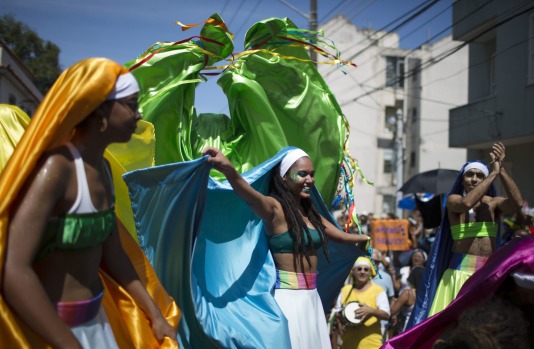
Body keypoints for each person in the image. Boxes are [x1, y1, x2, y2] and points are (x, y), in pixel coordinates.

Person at [1, 58, 177, 348]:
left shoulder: (103, 170)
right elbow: (12, 269)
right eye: (131, 104)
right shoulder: (57, 169)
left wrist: (155, 314)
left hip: (98, 324)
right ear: (99, 110)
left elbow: (114, 253)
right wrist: (68, 343)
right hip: (50, 334)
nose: (139, 112)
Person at [202, 146, 370, 349]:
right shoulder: (275, 209)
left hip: (311, 298)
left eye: (311, 174)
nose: (310, 179)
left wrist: (363, 238)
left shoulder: (310, 211)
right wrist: (229, 170)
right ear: (284, 178)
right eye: (302, 174)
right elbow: (249, 196)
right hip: (288, 299)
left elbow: (339, 236)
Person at [426, 142, 523, 317]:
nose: (474, 179)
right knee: (452, 326)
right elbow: (467, 203)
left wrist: (500, 170)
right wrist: (492, 173)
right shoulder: (454, 200)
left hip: (487, 273)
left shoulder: (493, 203)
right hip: (459, 274)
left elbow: (517, 203)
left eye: (479, 175)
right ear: (462, 179)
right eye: (469, 174)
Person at [331, 256, 391, 349]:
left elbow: (387, 315)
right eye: (359, 269)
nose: (362, 272)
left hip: (371, 344)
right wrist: (340, 319)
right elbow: (337, 311)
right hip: (348, 344)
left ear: (370, 272)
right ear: (353, 272)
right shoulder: (345, 290)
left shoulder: (378, 291)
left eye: (366, 269)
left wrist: (371, 311)